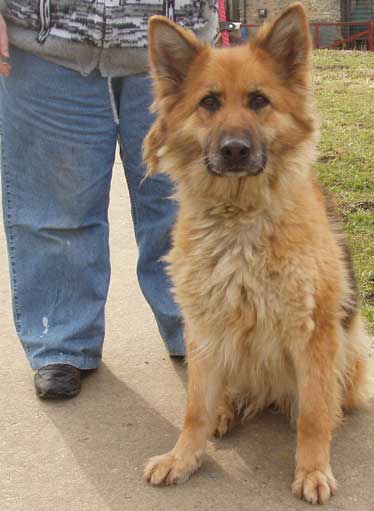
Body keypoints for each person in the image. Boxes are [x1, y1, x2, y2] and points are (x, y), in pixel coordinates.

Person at [0, 0, 218, 399]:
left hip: (175, 42)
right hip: (48, 40)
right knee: (54, 209)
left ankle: (200, 334)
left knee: (180, 206)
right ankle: (61, 341)